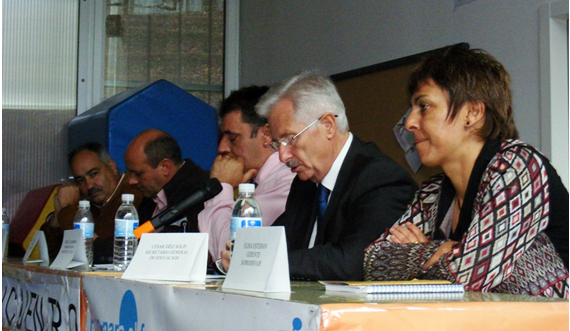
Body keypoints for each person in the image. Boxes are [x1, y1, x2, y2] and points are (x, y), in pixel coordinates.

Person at [364, 46, 569, 298]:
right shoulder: (434, 191)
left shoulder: (516, 167)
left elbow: (469, 276)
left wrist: (423, 252)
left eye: (424, 106)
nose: (409, 123)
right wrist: (439, 251)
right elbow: (373, 262)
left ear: (472, 113)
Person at [221, 72, 418, 280]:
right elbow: (278, 244)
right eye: (278, 144)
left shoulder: (382, 179)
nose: (283, 156)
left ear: (328, 125)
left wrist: (265, 261)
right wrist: (243, 256)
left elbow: (354, 261)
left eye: (290, 139)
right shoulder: (305, 183)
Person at [198, 86, 295, 261]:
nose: (222, 148)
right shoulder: (257, 181)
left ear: (266, 135)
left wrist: (221, 187)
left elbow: (230, 251)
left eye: (233, 138)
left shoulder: (285, 182)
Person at [40, 142, 142, 264]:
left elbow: (101, 250)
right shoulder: (90, 204)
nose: (89, 186)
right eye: (80, 180)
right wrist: (57, 215)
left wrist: (67, 209)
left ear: (112, 167)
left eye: (94, 174)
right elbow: (52, 259)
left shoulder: (134, 193)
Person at [124, 129, 210, 233]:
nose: (131, 181)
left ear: (165, 167)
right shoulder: (152, 192)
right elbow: (134, 235)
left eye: (138, 174)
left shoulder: (199, 192)